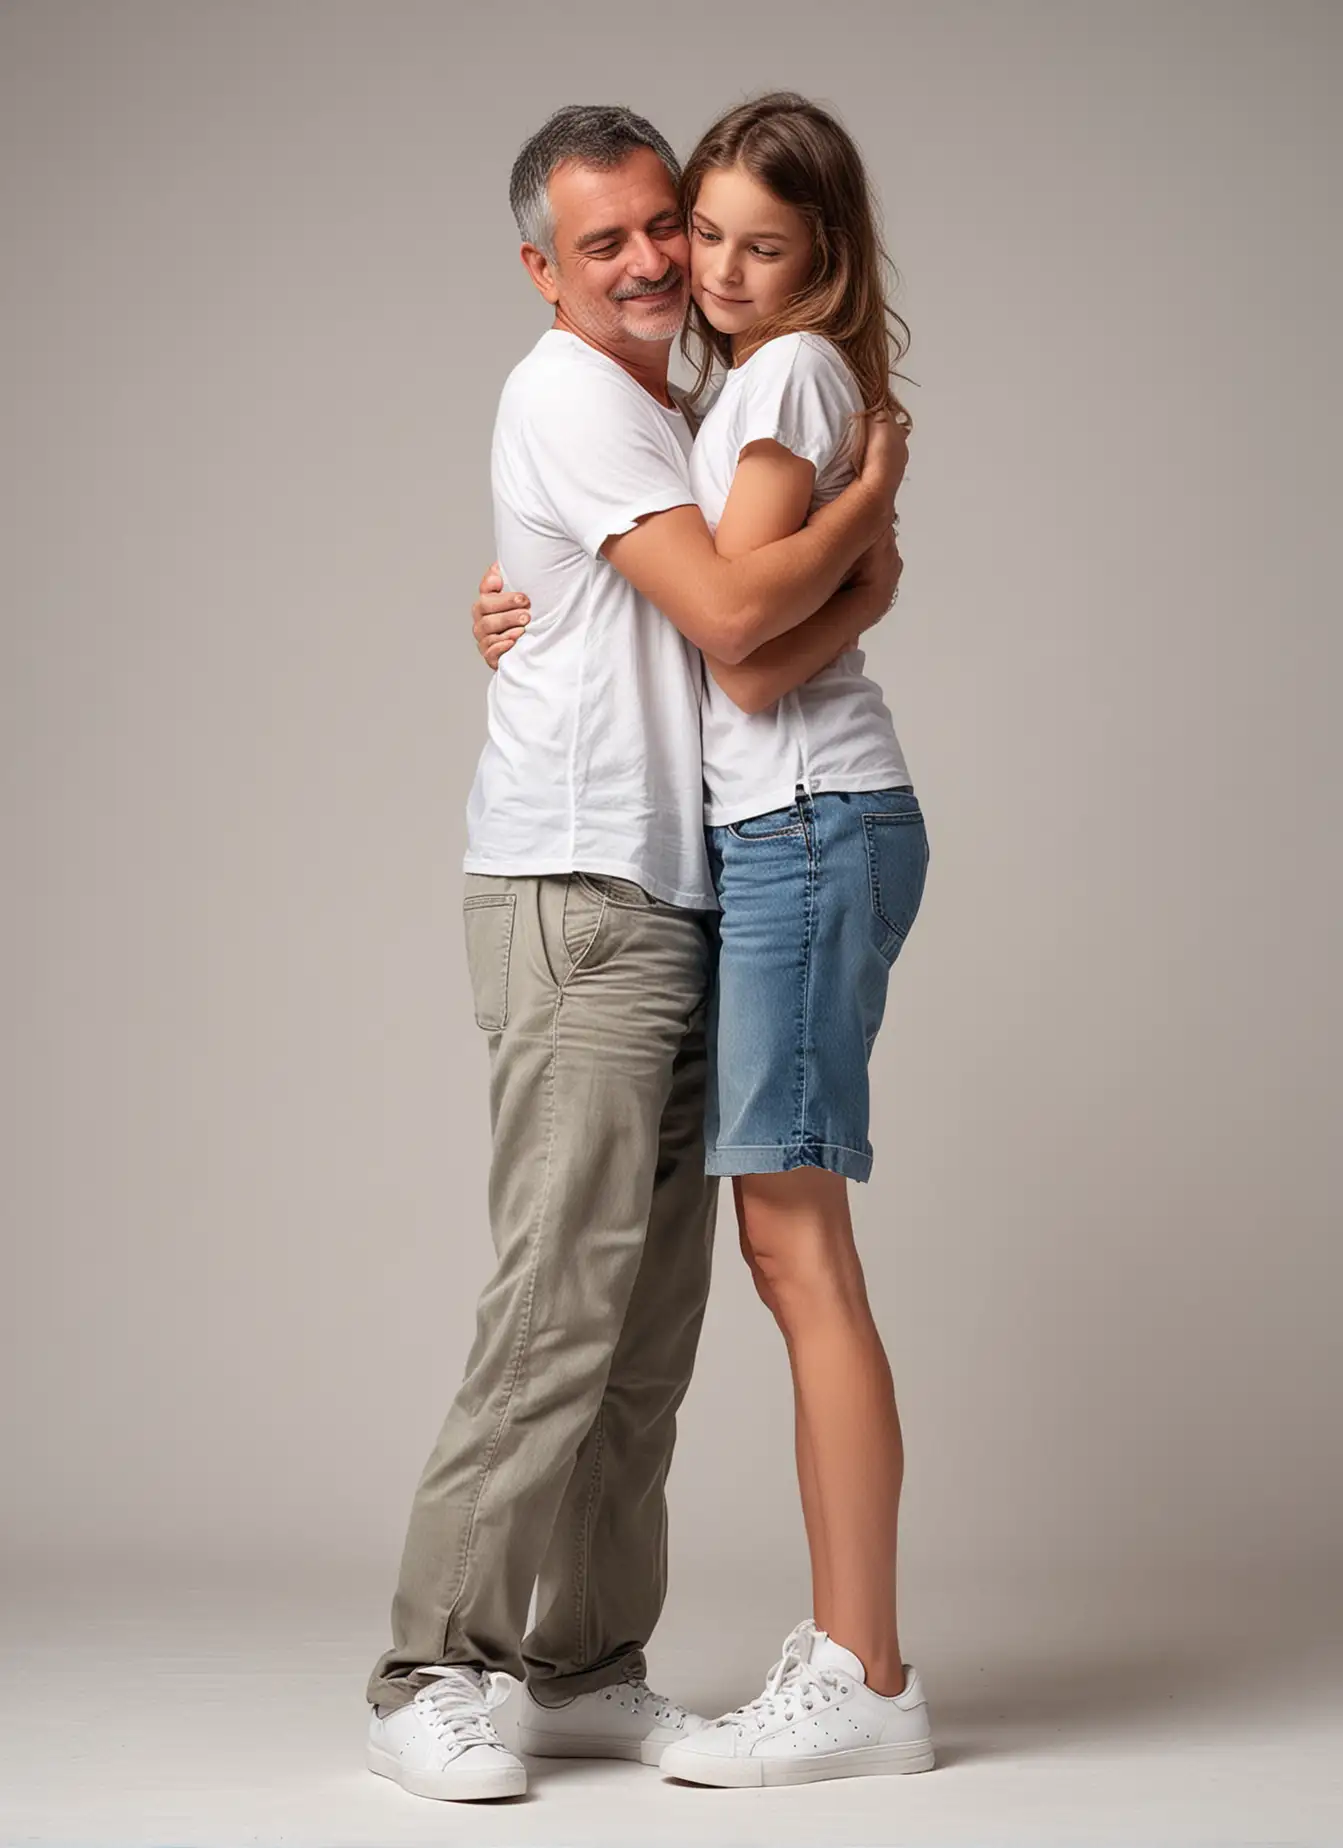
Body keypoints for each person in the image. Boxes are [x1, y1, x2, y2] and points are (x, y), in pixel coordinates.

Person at [366, 101, 905, 1803]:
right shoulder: (572, 391)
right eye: (605, 242)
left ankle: (584, 1660)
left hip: (684, 893)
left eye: (664, 224)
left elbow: (673, 617)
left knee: (646, 1324)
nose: (656, 258)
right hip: (580, 897)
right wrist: (871, 523)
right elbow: (741, 624)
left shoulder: (681, 402)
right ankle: (423, 1671)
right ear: (542, 271)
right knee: (556, 1305)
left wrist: (852, 574)